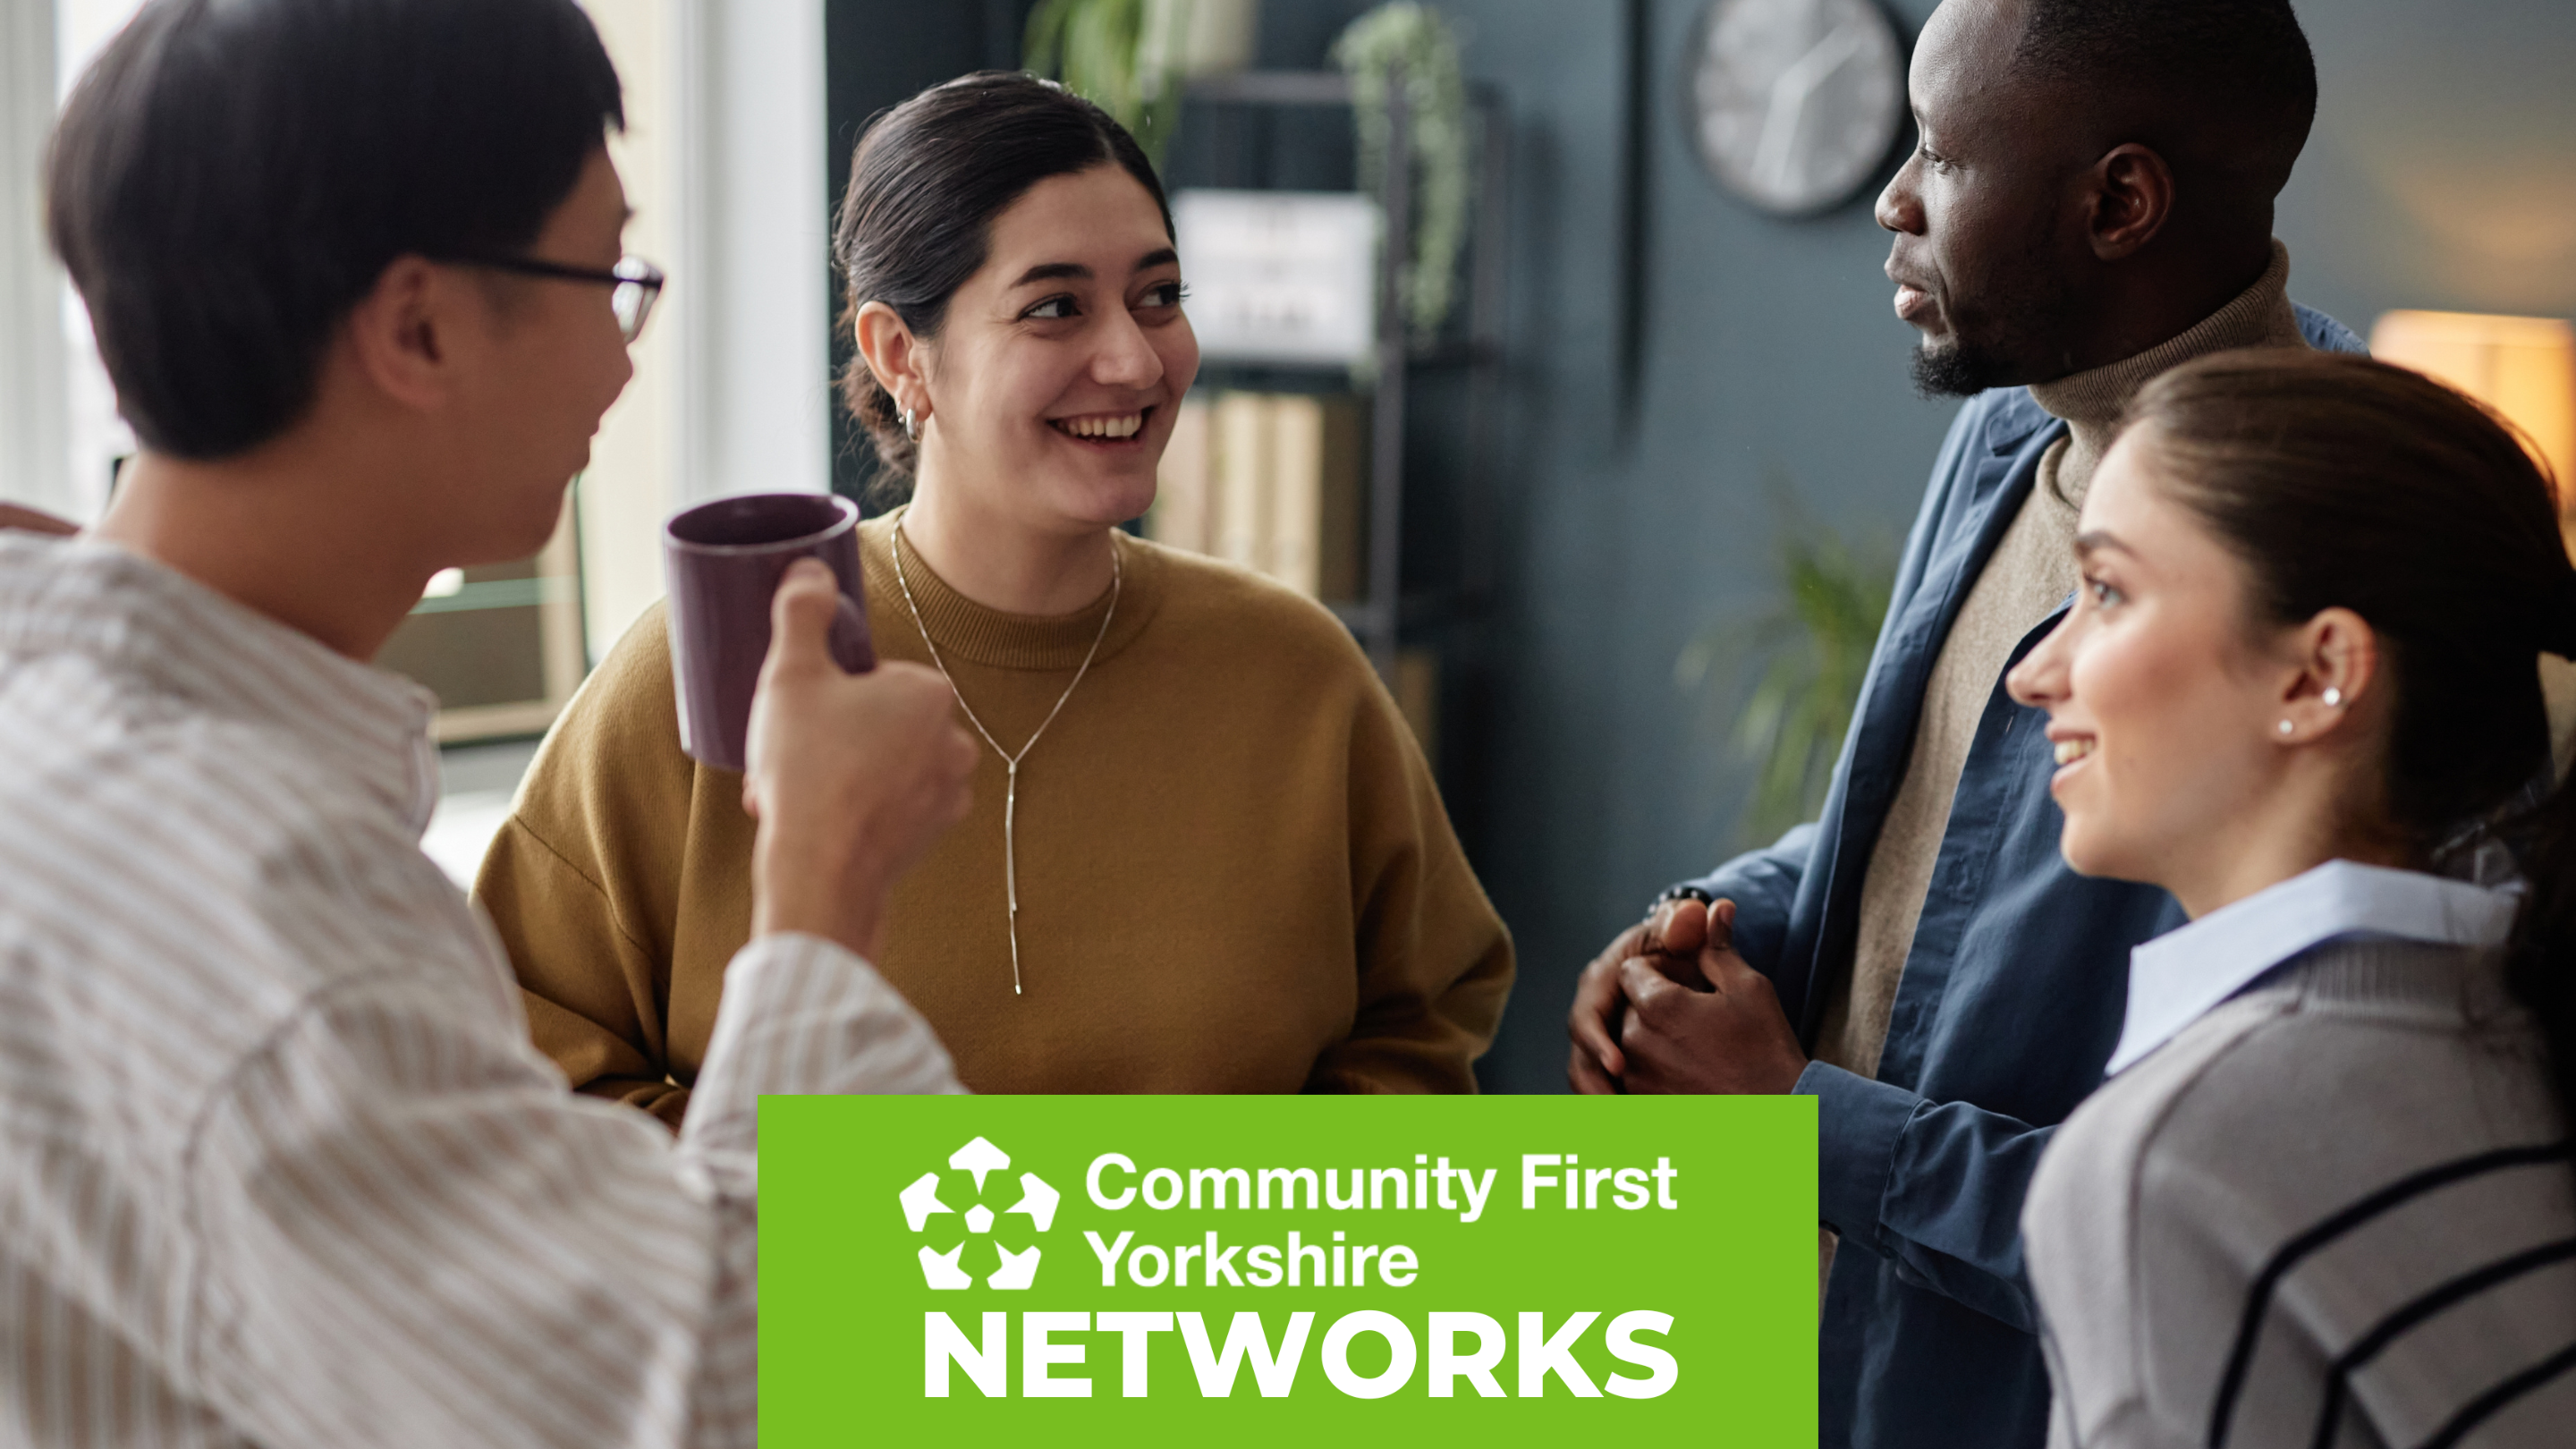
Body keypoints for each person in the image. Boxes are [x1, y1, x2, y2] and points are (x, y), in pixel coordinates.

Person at [1, 3, 980, 1445]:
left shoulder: (69, 712)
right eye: (606, 275)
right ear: (417, 326)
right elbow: (710, 1392)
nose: (623, 359)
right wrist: (821, 885)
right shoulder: (267, 922)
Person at [1564, 1, 2358, 1445]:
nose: (1893, 197)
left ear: (2119, 200)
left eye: (1938, 149)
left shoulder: (2332, 557)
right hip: (1824, 1353)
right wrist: (1711, 925)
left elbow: (2217, 1214)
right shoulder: (2006, 434)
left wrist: (1800, 1121)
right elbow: (1923, 827)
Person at [477, 72, 1513, 1111]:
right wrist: (901, 1241)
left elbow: (1424, 1019)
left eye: (1160, 297)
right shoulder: (706, 677)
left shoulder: (1299, 674)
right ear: (901, 356)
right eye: (1056, 308)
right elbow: (533, 1076)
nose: (1133, 357)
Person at [2010, 351, 2576, 1446]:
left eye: (2109, 591)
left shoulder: (2172, 1157)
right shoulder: (2521, 1016)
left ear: (2320, 674)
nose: (2037, 672)